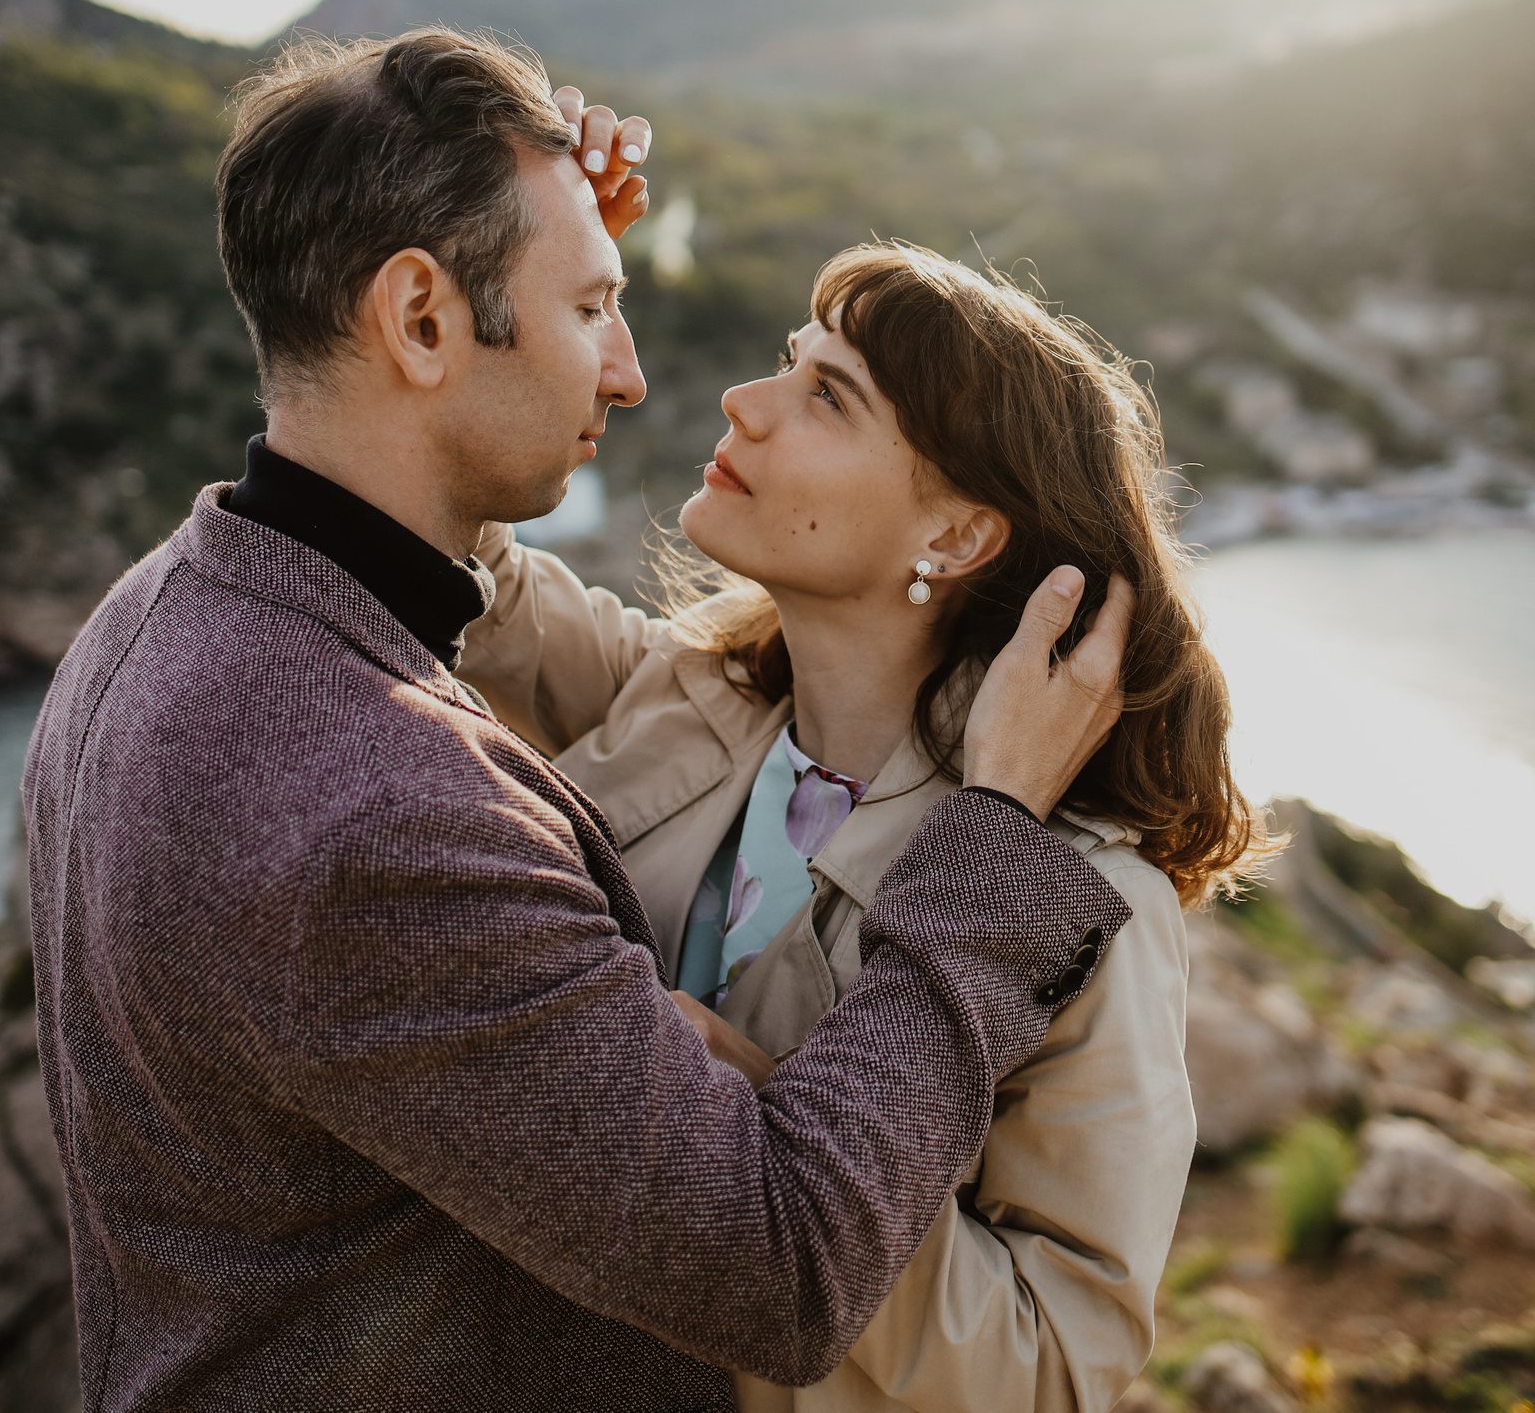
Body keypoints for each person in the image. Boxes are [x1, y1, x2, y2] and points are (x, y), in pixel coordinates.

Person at [21, 28, 1141, 1412]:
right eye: (594, 309)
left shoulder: (153, 617)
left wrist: (539, 262)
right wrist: (979, 857)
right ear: (423, 319)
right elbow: (779, 1265)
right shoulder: (381, 823)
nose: (636, 376)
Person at [462, 243, 1263, 1410]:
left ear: (955, 538)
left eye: (826, 396)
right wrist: (526, 242)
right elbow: (447, 542)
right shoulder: (682, 694)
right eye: (790, 361)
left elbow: (1056, 1363)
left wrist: (771, 1146)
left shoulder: (1084, 909)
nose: (745, 401)